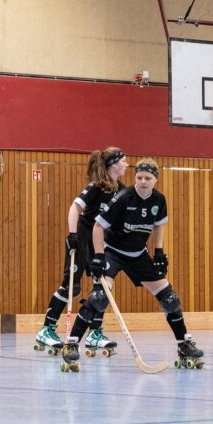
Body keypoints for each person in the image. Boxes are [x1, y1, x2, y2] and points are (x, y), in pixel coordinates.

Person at [61, 157, 204, 370]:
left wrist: (158, 252)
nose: (143, 181)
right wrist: (98, 256)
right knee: (99, 297)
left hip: (138, 255)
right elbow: (98, 227)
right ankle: (71, 344)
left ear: (156, 179)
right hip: (113, 252)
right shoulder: (123, 197)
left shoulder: (159, 200)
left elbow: (158, 225)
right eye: (139, 177)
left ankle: (184, 344)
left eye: (147, 178)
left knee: (170, 299)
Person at [34, 147, 127, 355]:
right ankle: (46, 329)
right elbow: (75, 208)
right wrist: (72, 235)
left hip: (100, 241)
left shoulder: (122, 190)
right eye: (124, 161)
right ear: (114, 164)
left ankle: (95, 333)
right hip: (83, 237)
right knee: (72, 286)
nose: (126, 164)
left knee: (102, 287)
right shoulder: (96, 187)